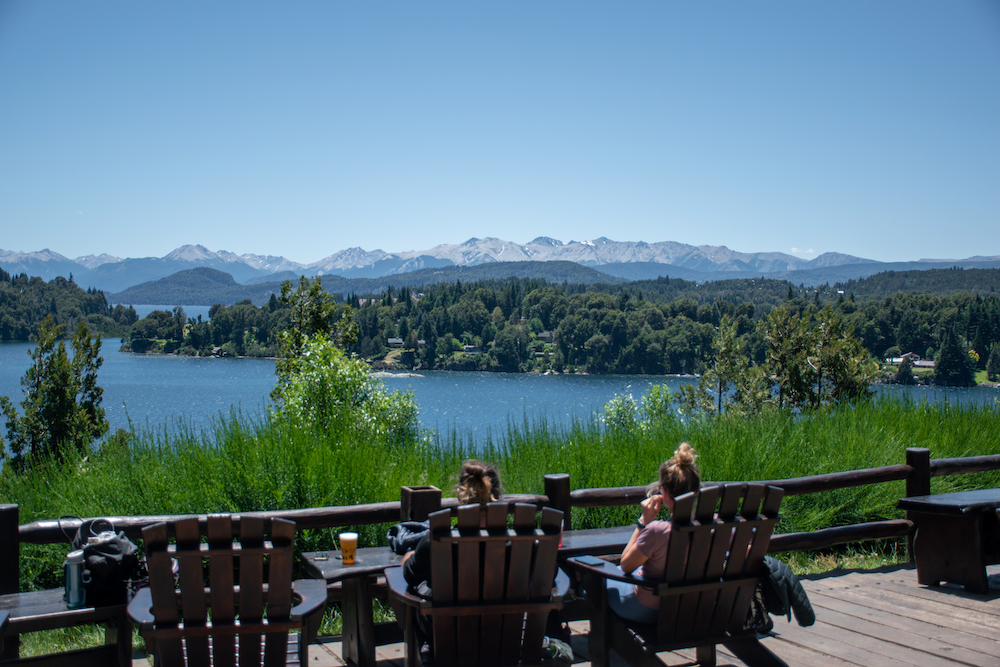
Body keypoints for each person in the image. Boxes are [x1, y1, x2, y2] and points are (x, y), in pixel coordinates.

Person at [608, 442, 701, 624]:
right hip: (692, 606)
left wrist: (643, 522)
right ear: (696, 491)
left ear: (664, 493)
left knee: (594, 581)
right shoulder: (712, 527)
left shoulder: (657, 531)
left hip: (648, 607)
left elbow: (626, 565)